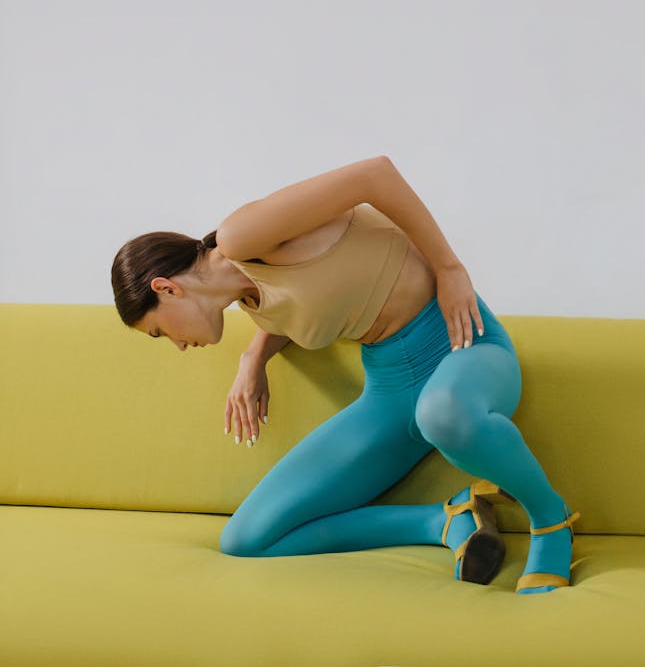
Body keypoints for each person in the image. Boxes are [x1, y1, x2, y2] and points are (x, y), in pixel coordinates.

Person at [111, 157, 579, 593]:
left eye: (158, 332)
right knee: (247, 539)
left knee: (442, 411)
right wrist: (253, 358)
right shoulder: (249, 302)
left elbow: (374, 175)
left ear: (166, 288)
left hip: (462, 343)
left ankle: (550, 521)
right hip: (392, 387)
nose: (177, 345)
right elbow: (298, 302)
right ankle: (447, 520)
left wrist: (449, 268)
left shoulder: (240, 236)